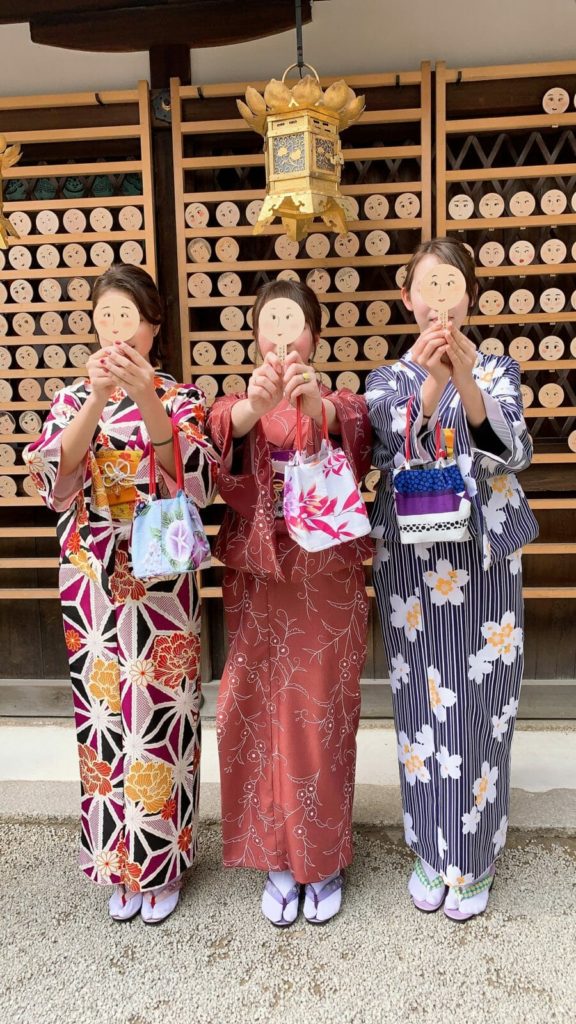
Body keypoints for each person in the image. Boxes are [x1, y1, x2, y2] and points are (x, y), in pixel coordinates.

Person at [24, 264, 219, 924]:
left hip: (161, 586)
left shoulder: (181, 396)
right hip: (93, 582)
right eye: (106, 315)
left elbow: (199, 483)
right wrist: (97, 401)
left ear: (153, 327)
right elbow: (56, 480)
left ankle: (161, 865)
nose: (117, 328)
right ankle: (118, 862)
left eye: (128, 316)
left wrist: (148, 403)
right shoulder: (70, 398)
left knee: (160, 726)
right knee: (106, 728)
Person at [365, 238, 539, 921]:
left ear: (468, 296)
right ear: (408, 298)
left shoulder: (497, 368)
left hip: (483, 559)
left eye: (451, 284)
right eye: (425, 285)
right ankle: (429, 849)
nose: (438, 296)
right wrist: (432, 380)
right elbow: (388, 448)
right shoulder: (386, 379)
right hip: (413, 563)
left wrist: (465, 379)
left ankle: (474, 859)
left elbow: (513, 450)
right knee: (421, 707)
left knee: (481, 704)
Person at [208, 280, 372, 926]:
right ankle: (276, 854)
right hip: (258, 580)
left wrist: (316, 408)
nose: (282, 334)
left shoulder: (343, 404)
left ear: (314, 336)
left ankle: (322, 858)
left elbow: (357, 437)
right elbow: (215, 438)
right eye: (271, 323)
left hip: (322, 582)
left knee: (319, 715)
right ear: (255, 334)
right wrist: (252, 408)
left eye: (295, 323)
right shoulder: (234, 404)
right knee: (248, 711)